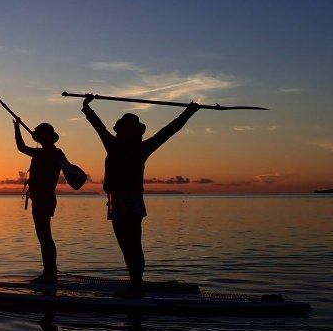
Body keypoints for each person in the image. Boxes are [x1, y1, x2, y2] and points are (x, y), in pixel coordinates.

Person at [81, 95, 200, 296]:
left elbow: (168, 131)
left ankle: (136, 285)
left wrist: (188, 112)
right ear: (120, 130)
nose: (128, 131)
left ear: (136, 132)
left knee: (134, 244)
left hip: (133, 201)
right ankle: (134, 282)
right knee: (124, 244)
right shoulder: (112, 144)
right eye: (125, 128)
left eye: (131, 128)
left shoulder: (142, 148)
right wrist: (86, 107)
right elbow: (98, 125)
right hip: (115, 200)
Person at [14, 119, 66, 283]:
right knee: (45, 237)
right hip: (44, 199)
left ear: (46, 137)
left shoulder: (46, 153)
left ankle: (49, 274)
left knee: (44, 237)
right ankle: (50, 271)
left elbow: (21, 147)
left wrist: (17, 128)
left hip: (43, 200)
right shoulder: (55, 152)